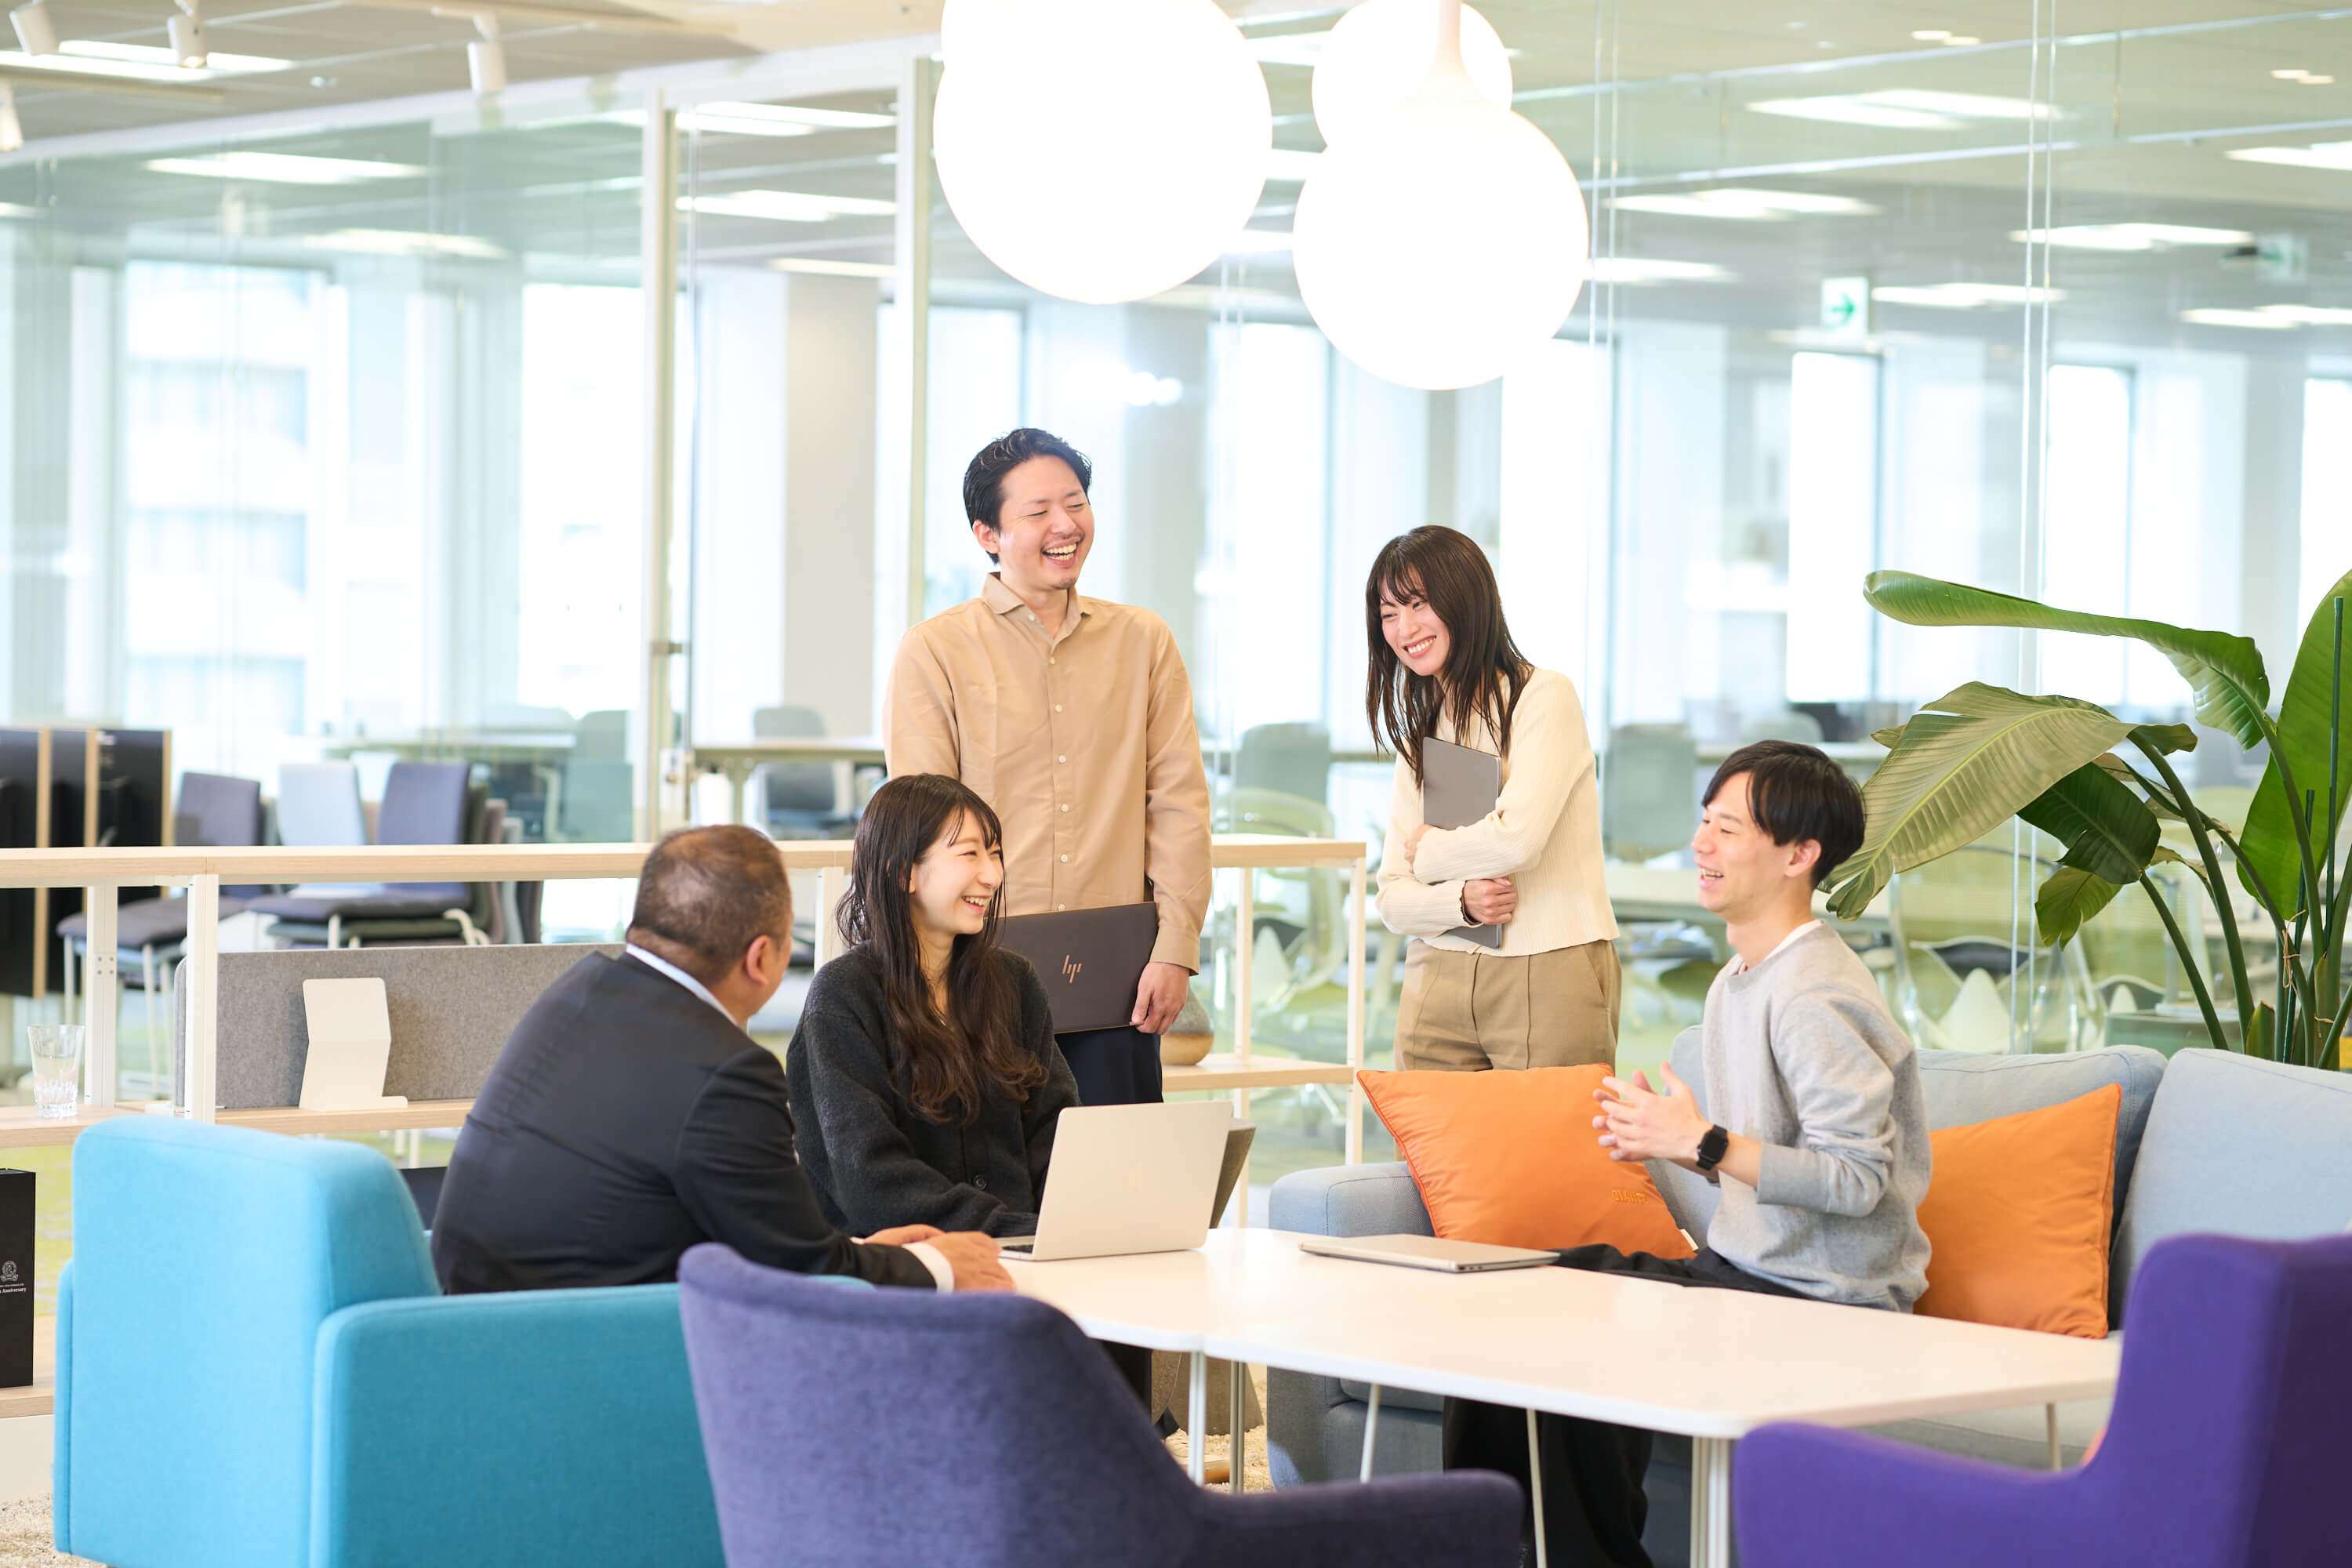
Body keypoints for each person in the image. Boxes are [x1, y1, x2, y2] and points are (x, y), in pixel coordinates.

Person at [1443, 741, 1933, 1566]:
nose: (1701, 844)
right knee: (1524, 1304)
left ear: (1799, 855)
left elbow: (1857, 1180)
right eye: (1705, 822)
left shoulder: (1814, 991)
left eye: (1728, 829)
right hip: (1747, 1274)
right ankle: (1488, 1548)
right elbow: (1771, 1158)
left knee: (1582, 1335)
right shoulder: (1740, 977)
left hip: (1828, 1300)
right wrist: (1677, 1142)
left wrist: (1700, 1141)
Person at [430, 824, 1012, 1298]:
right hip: (593, 1347)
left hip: (479, 1321)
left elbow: (769, 1241)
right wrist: (938, 1267)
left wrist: (857, 1253)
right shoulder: (727, 1073)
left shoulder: (577, 993)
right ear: (761, 958)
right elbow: (801, 1277)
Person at [885, 426, 1212, 1108]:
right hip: (981, 977)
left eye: (1076, 503)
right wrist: (935, 976)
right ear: (987, 533)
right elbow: (920, 830)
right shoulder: (935, 651)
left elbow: (1179, 804)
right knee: (992, 1171)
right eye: (1038, 512)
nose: (1065, 525)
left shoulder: (1144, 642)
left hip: (1119, 981)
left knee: (1118, 1169)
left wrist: (1175, 947)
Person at [1369, 524, 1621, 1072]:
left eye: (1418, 604)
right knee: (1427, 1131)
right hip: (1436, 967)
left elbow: (1518, 841)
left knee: (1547, 1130)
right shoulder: (1422, 728)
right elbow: (1390, 896)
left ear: (1466, 597)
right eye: (1389, 613)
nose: (1404, 628)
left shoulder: (1542, 696)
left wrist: (1428, 854)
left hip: (1547, 964)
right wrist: (1459, 903)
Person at [787, 773, 1080, 1240]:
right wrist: (1007, 1230)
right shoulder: (843, 996)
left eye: (995, 854)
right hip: (910, 1263)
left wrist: (1069, 1228)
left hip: (1029, 1251)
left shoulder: (1016, 982)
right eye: (969, 854)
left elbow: (1058, 1133)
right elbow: (870, 1179)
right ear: (903, 872)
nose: (993, 875)